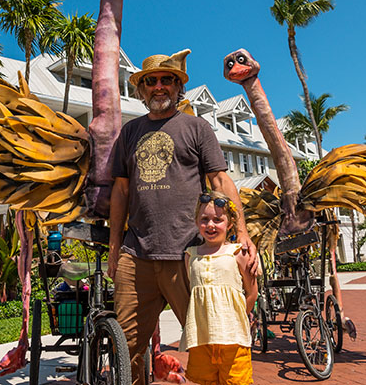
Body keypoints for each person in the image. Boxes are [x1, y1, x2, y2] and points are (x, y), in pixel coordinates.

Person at [108, 49, 256, 385]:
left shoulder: (196, 128)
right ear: (141, 89)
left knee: (209, 343)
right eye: (151, 82)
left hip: (188, 254)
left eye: (166, 80)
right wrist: (115, 244)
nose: (158, 87)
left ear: (178, 87)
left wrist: (242, 233)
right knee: (127, 347)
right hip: (137, 255)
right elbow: (120, 191)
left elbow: (220, 180)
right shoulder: (129, 133)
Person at [179, 191, 257, 385]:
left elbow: (252, 292)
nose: (211, 225)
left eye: (218, 219)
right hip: (201, 340)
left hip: (233, 339)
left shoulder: (238, 253)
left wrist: (238, 317)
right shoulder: (190, 256)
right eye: (204, 219)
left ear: (229, 224)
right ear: (197, 222)